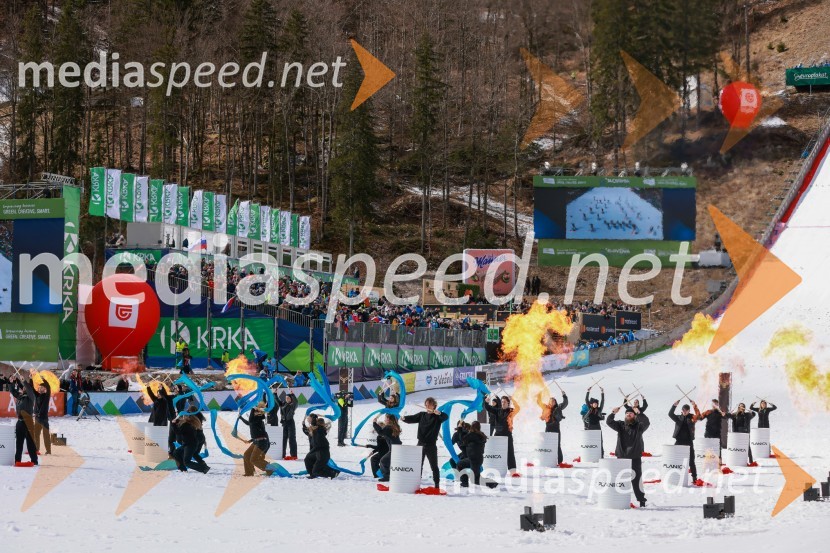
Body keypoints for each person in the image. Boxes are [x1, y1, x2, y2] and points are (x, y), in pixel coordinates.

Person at [606, 405, 650, 507]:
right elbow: (609, 422)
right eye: (626, 414)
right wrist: (613, 413)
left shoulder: (639, 426)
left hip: (635, 457)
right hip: (622, 457)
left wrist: (640, 413)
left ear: (634, 415)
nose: (628, 415)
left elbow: (647, 422)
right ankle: (618, 499)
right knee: (620, 479)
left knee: (637, 480)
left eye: (630, 413)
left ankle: (641, 500)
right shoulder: (620, 425)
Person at [401, 397, 449, 489]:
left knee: (434, 466)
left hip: (431, 445)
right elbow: (411, 419)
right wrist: (404, 418)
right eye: (426, 405)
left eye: (429, 405)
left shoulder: (437, 417)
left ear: (434, 405)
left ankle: (437, 485)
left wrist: (439, 413)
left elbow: (445, 417)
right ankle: (416, 483)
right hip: (420, 444)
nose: (427, 406)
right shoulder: (422, 415)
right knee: (418, 465)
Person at [668, 401, 700, 483]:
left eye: (686, 410)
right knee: (674, 458)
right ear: (682, 410)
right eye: (683, 410)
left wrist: (694, 405)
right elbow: (670, 414)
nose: (685, 411)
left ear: (689, 411)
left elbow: (698, 415)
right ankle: (672, 476)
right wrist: (674, 405)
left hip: (689, 442)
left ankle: (694, 477)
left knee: (691, 460)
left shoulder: (692, 417)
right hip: (679, 441)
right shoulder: (678, 417)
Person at [484, 394, 517, 472]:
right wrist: (486, 402)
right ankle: (494, 468)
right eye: (502, 402)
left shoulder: (511, 411)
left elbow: (518, 408)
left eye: (505, 402)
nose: (503, 403)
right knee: (495, 451)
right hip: (498, 434)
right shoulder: (498, 410)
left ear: (508, 403)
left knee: (510, 453)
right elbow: (488, 408)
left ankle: (513, 470)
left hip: (507, 435)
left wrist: (513, 400)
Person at [173, 406, 210, 473]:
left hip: (191, 443)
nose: (183, 417)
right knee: (177, 452)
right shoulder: (191, 421)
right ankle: (183, 468)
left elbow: (178, 432)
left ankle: (204, 468)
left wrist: (174, 423)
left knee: (187, 461)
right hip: (192, 441)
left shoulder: (187, 424)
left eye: (185, 415)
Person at [239, 402, 272, 476]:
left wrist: (253, 408)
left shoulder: (258, 419)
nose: (254, 413)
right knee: (246, 455)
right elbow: (249, 423)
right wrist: (240, 418)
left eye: (255, 412)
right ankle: (249, 472)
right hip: (256, 442)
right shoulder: (254, 420)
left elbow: (250, 420)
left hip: (262, 442)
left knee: (254, 459)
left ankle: (270, 469)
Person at [13, 377, 38, 466]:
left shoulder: (31, 397)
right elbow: (13, 391)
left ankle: (34, 460)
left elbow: (29, 389)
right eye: (22, 387)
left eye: (24, 387)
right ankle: (17, 461)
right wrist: (11, 382)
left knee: (30, 443)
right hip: (19, 422)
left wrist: (24, 381)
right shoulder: (20, 396)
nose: (23, 388)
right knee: (19, 443)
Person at [457, 421, 488, 487]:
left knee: (476, 480)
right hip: (475, 458)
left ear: (472, 427)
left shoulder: (472, 435)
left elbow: (462, 438)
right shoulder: (481, 434)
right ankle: (464, 483)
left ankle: (493, 483)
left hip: (474, 459)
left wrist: (459, 428)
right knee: (460, 465)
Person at [373, 413, 402, 482]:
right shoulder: (393, 427)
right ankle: (388, 475)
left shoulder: (388, 427)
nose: (384, 420)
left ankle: (387, 476)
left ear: (388, 419)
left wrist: (374, 423)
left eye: (385, 418)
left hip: (394, 449)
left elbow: (380, 432)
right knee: (387, 462)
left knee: (383, 461)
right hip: (396, 448)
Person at [542, 392, 568, 464]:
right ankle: (548, 459)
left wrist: (564, 395)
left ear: (555, 402)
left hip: (556, 428)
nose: (552, 402)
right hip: (548, 428)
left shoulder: (558, 408)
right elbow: (539, 403)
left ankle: (560, 461)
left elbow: (565, 403)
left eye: (554, 401)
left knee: (557, 445)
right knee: (547, 444)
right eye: (551, 401)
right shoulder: (546, 408)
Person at [582, 388, 605, 457]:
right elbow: (586, 400)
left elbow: (602, 401)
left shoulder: (599, 410)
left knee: (600, 440)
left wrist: (602, 392)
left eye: (596, 404)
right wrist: (588, 391)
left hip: (597, 426)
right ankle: (590, 454)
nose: (595, 405)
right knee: (590, 440)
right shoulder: (590, 409)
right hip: (590, 426)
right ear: (592, 404)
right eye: (594, 404)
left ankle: (601, 454)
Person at [33, 378, 52, 456]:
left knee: (46, 435)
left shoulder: (46, 396)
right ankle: (36, 449)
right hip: (37, 418)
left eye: (41, 387)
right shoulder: (37, 395)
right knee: (36, 434)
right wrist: (32, 379)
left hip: (44, 419)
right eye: (39, 387)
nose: (39, 388)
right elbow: (31, 388)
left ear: (44, 389)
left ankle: (48, 450)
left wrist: (43, 379)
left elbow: (49, 387)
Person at [276, 392, 298, 459]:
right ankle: (282, 455)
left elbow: (296, 402)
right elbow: (278, 401)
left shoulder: (292, 405)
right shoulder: (283, 404)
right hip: (284, 423)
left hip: (290, 422)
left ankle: (293, 455)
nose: (287, 399)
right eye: (286, 398)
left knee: (292, 439)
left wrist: (293, 394)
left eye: (288, 398)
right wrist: (275, 394)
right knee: (283, 439)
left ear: (291, 399)